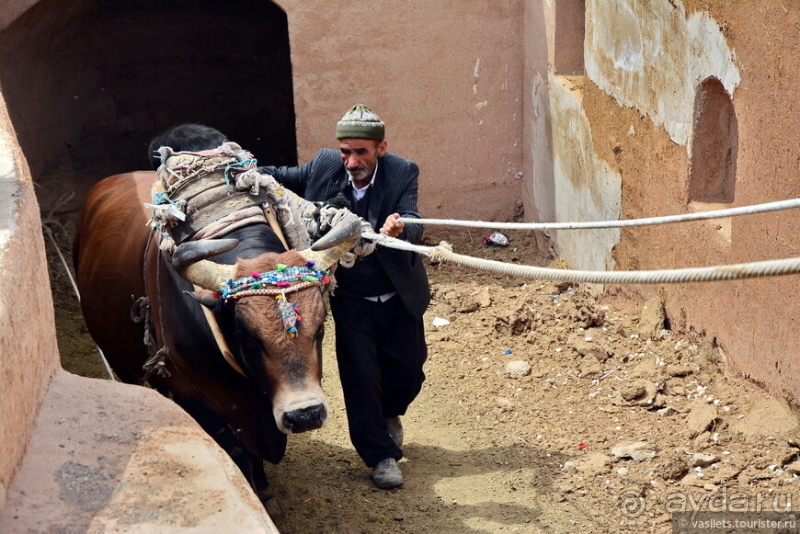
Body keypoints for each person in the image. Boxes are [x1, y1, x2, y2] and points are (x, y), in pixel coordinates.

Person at [259, 104, 430, 489]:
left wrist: (400, 229)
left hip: (398, 293)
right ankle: (380, 455)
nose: (351, 161)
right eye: (345, 151)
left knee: (409, 370)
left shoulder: (403, 171)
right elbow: (276, 179)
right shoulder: (323, 166)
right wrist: (239, 168)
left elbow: (414, 220)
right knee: (360, 376)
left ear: (381, 149)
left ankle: (390, 413)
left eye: (361, 152)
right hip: (349, 297)